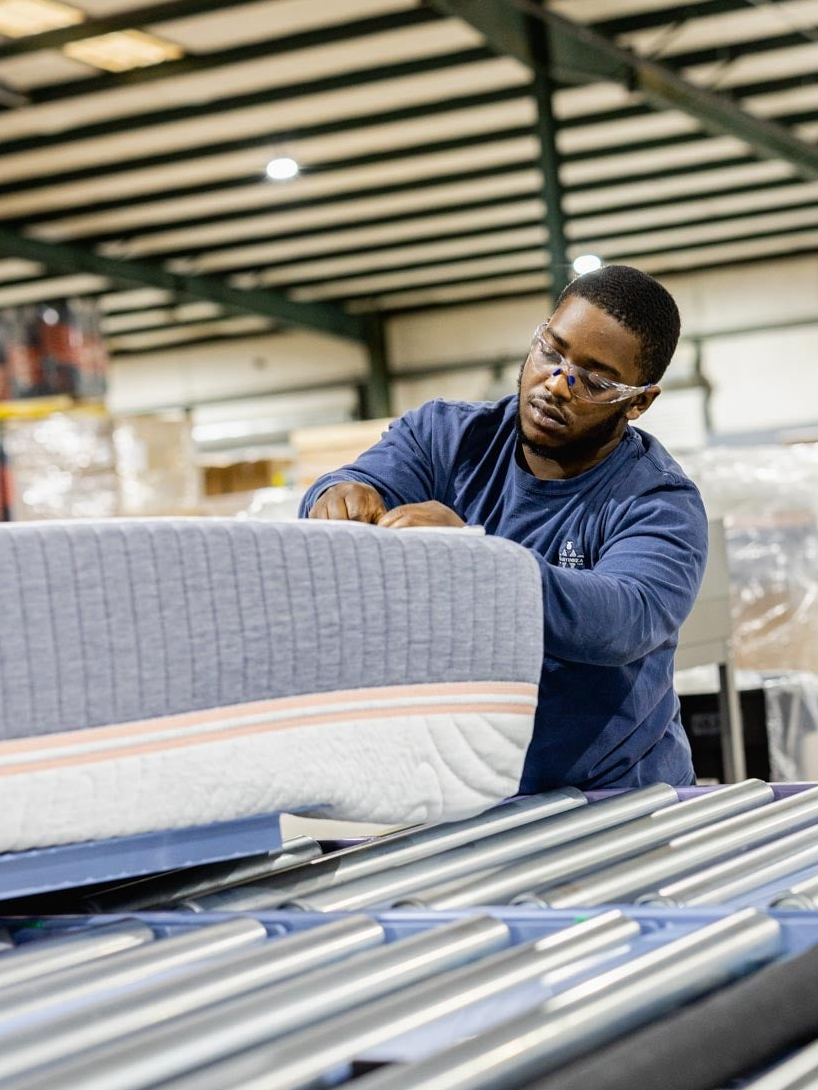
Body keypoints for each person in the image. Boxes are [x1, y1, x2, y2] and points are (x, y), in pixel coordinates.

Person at [301, 263, 708, 792]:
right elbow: (352, 484)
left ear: (638, 402)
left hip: (612, 797)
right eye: (552, 350)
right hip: (462, 787)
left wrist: (478, 559)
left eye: (594, 378)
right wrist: (335, 496)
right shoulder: (445, 438)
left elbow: (623, 620)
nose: (558, 384)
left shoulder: (658, 501)